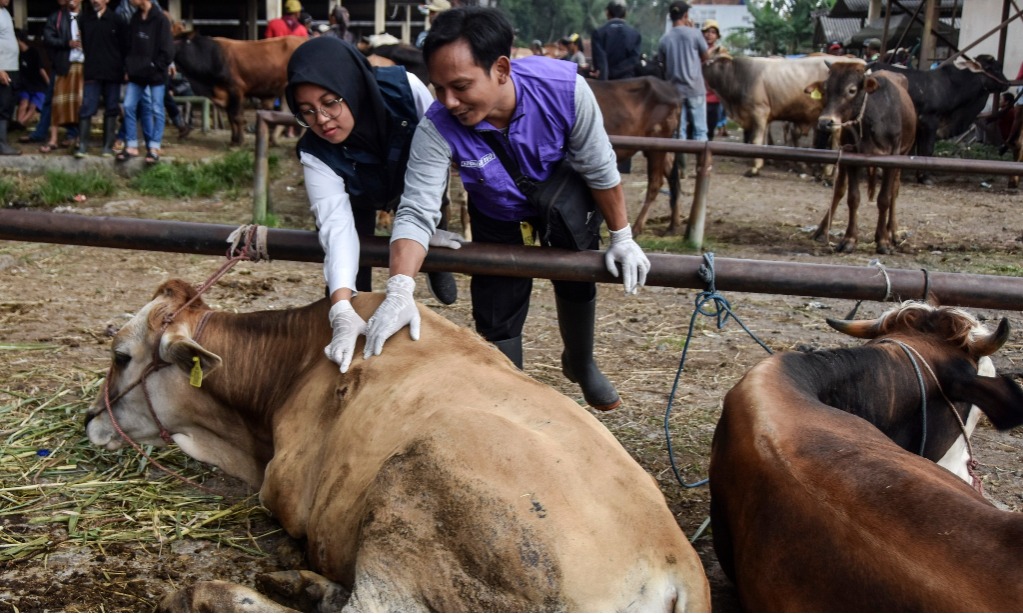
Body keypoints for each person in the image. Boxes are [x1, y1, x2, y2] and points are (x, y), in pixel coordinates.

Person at [362, 6, 651, 411]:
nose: (449, 101)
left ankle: (581, 361)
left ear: (500, 69)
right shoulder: (436, 124)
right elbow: (416, 209)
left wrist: (622, 236)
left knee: (576, 276)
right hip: (496, 212)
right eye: (439, 88)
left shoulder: (565, 89)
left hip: (560, 203)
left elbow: (600, 169)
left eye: (460, 86)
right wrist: (399, 288)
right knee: (497, 304)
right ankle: (510, 396)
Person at [285, 36, 460, 374]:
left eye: (330, 102)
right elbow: (336, 228)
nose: (322, 119)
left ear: (351, 87)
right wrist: (340, 307)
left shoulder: (405, 89)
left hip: (411, 173)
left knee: (429, 218)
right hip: (358, 192)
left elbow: (438, 147)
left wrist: (424, 222)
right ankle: (353, 351)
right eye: (307, 111)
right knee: (350, 272)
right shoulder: (315, 152)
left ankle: (435, 256)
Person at [117, 0, 172, 164]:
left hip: (155, 74)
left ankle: (154, 147)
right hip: (137, 73)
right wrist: (129, 67)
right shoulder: (135, 18)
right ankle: (131, 145)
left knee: (157, 109)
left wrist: (156, 66)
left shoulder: (161, 19)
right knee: (128, 106)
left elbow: (168, 49)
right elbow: (129, 45)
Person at [76, 0, 127, 158]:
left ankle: (108, 145)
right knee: (87, 106)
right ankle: (83, 145)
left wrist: (124, 68)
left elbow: (124, 46)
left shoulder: (117, 20)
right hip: (92, 70)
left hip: (113, 71)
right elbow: (84, 43)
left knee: (111, 107)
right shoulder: (84, 19)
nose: (95, 0)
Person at [658, 1, 708, 142]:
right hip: (695, 88)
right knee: (700, 130)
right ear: (686, 15)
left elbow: (662, 64)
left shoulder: (664, 39)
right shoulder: (695, 34)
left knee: (679, 132)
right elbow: (705, 57)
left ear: (671, 16)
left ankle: (679, 157)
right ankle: (702, 156)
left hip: (675, 91)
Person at [590, 0, 641, 81]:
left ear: (607, 13)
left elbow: (599, 61)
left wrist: (607, 74)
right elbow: (634, 60)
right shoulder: (635, 34)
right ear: (625, 14)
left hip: (605, 82)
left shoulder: (598, 33)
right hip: (627, 82)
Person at [14, 29, 47, 130]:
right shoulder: (17, 55)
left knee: (33, 105)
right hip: (25, 85)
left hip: (38, 85)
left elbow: (41, 70)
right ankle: (19, 123)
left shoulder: (33, 52)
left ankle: (21, 123)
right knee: (23, 102)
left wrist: (49, 84)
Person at [0, 0, 19, 155]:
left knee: (8, 105)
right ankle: (2, 144)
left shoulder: (5, 12)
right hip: (3, 68)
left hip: (12, 67)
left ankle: (3, 141)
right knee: (3, 106)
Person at [701, 19, 724, 142]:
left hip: (714, 97)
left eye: (713, 32)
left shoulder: (721, 52)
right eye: (707, 31)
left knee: (710, 129)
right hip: (698, 95)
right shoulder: (697, 50)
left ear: (717, 36)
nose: (709, 35)